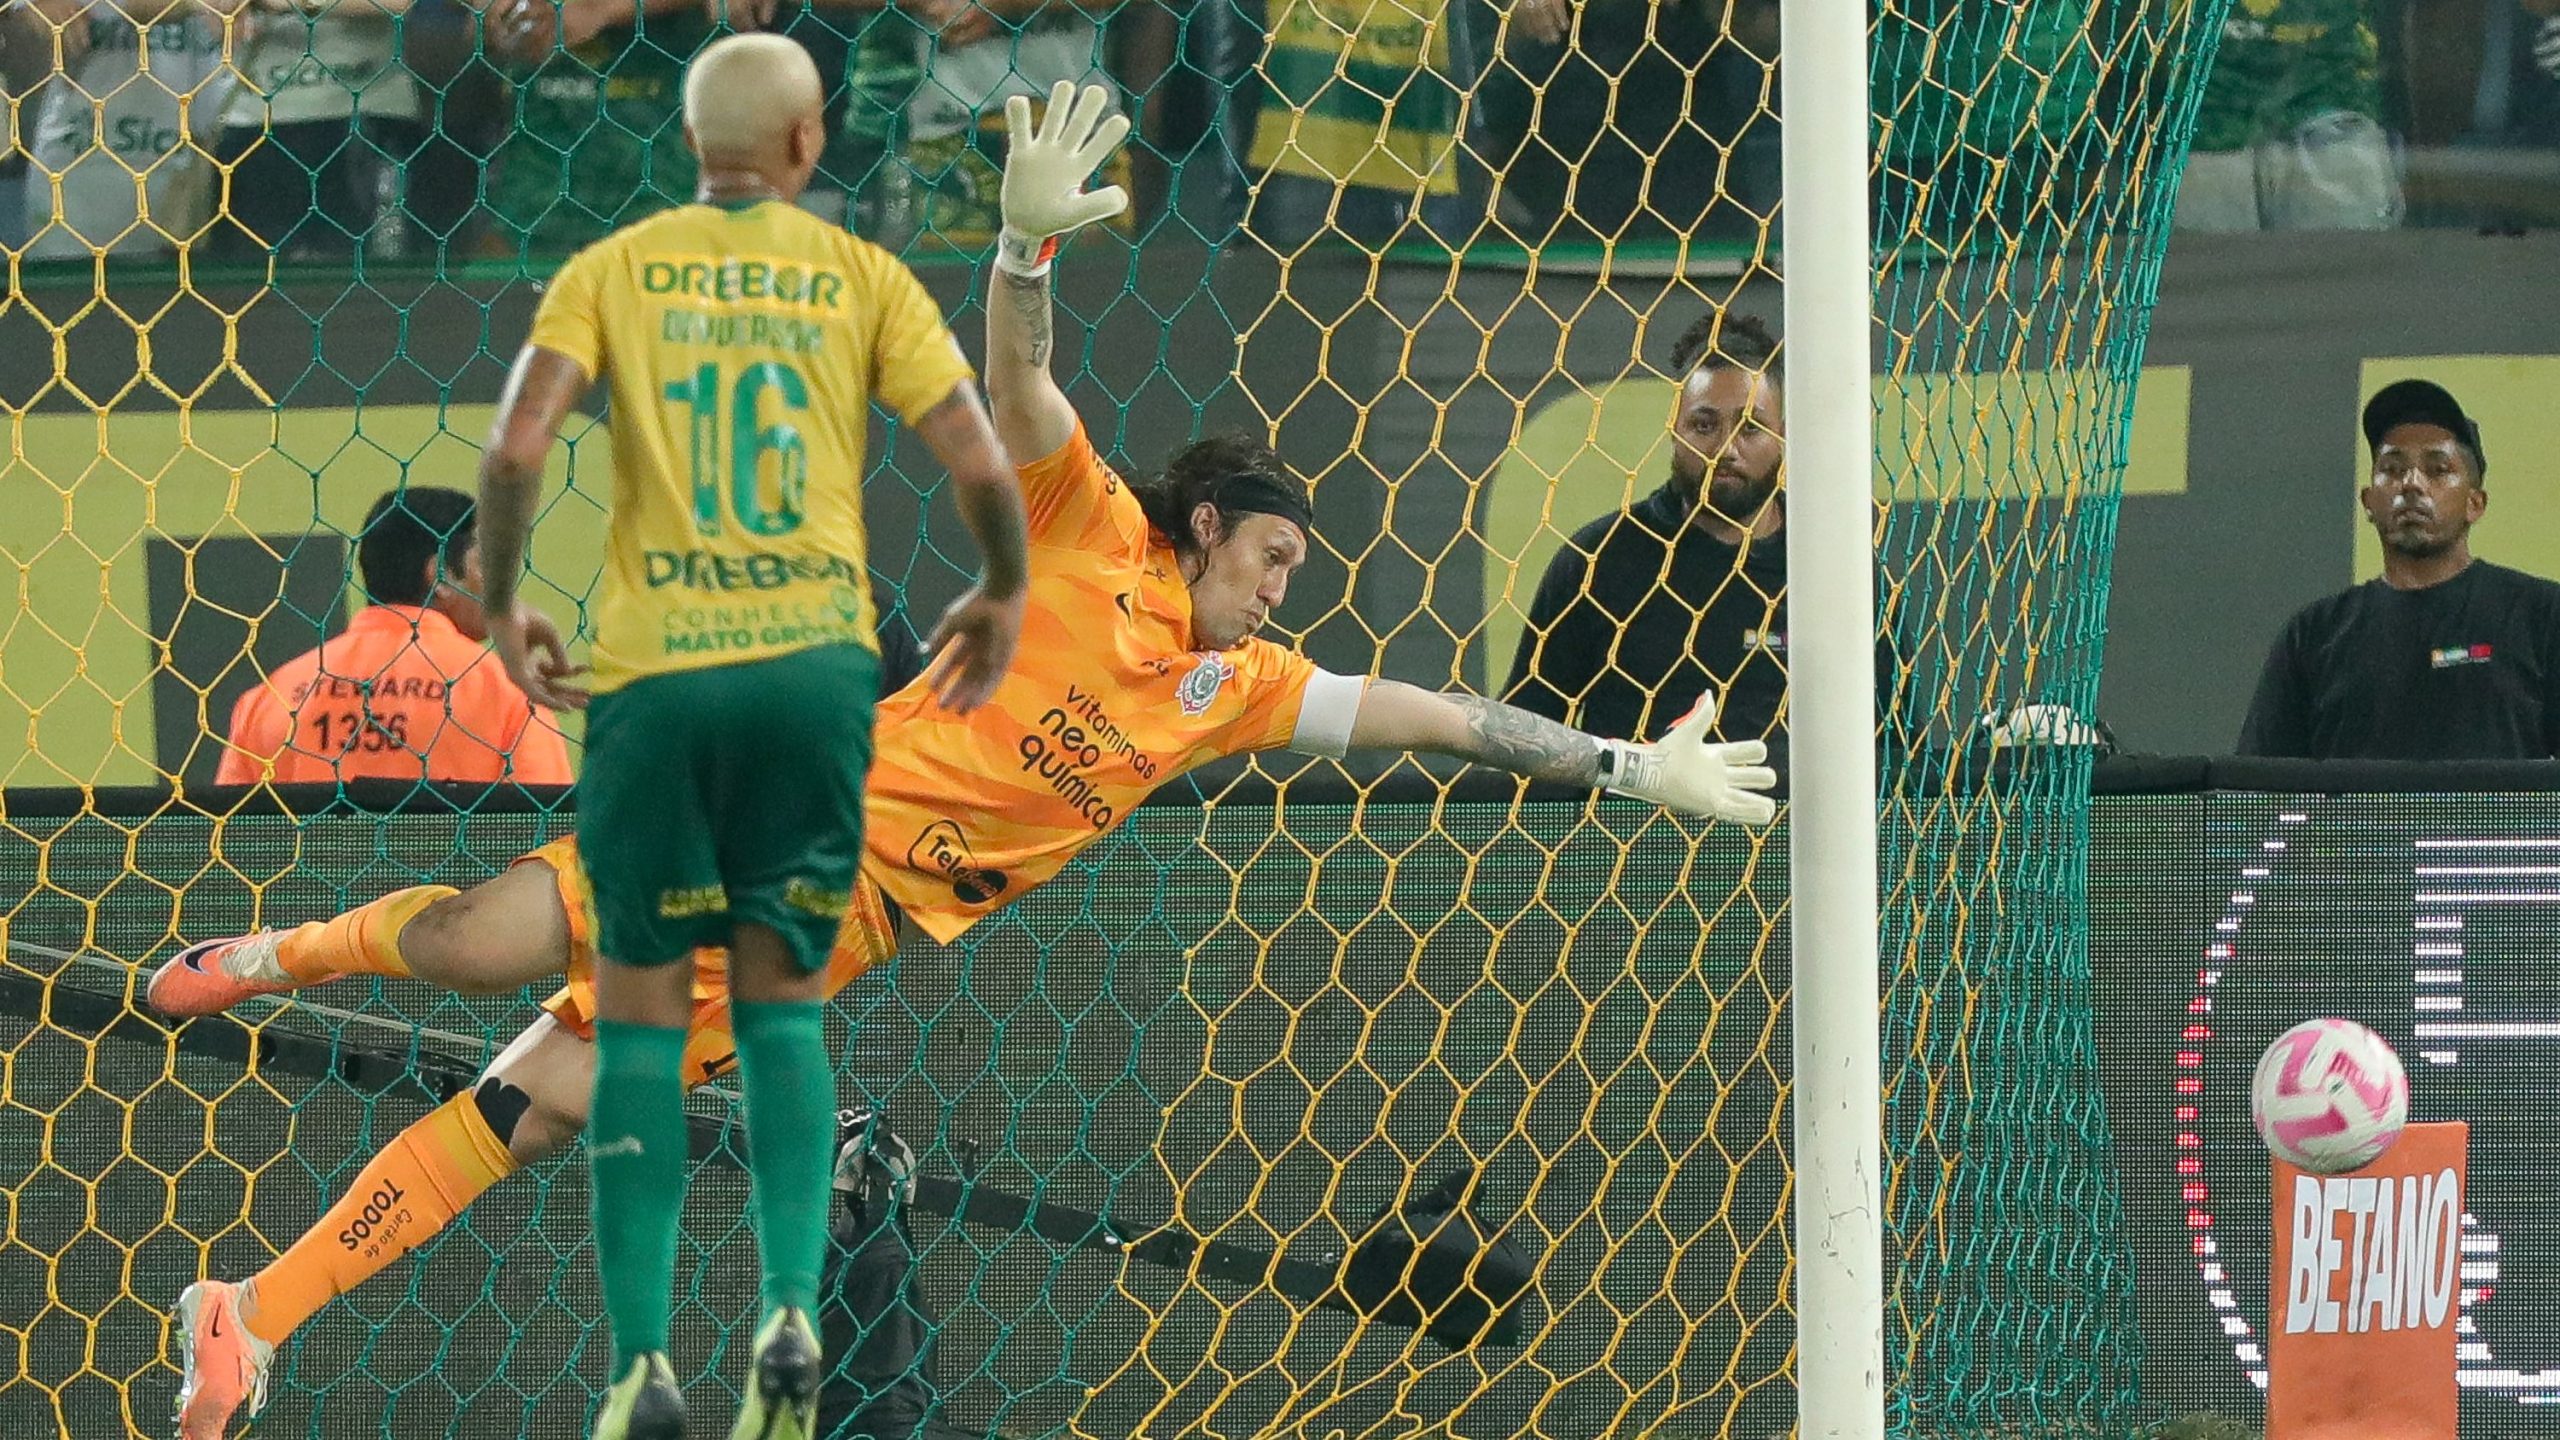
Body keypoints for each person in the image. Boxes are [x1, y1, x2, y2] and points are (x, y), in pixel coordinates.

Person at [150, 81, 1775, 1440]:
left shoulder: (1230, 686)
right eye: (1275, 558)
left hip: (810, 941)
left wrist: (1622, 766)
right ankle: (272, 952)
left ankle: (250, 1314)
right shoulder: (1089, 537)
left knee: (526, 1111)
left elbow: (1424, 711)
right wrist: (1016, 245)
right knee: (476, 946)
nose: (1288, 592)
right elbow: (1019, 383)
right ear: (1207, 525)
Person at [467, 31, 1032, 1440]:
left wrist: (501, 601)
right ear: (807, 144)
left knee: (645, 1027)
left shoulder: (615, 270)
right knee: (784, 1006)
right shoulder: (863, 276)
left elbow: (516, 447)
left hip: (660, 679)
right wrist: (1005, 588)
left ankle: (643, 1362)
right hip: (813, 676)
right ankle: (790, 1306)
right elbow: (973, 451)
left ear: (690, 142)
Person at [1502, 308, 1786, 745]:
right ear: (1674, 431)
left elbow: (1893, 746)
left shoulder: (1834, 572)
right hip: (1626, 814)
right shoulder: (1598, 562)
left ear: (1784, 435)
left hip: (1791, 815)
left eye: (1751, 427)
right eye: (1704, 425)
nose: (1727, 448)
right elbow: (1520, 738)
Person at [2238, 379, 2560, 760]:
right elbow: (2254, 796)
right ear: (2368, 501)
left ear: (2475, 503)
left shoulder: (2543, 615)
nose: (2411, 484)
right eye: (2392, 469)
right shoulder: (2311, 635)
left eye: (2438, 469)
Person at [214, 487, 575, 788]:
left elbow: (231, 846)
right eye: (486, 565)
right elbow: (547, 840)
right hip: (464, 877)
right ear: (442, 575)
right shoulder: (506, 691)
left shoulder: (271, 697)